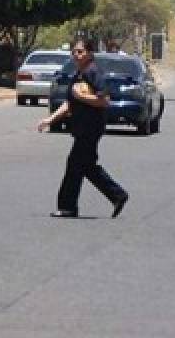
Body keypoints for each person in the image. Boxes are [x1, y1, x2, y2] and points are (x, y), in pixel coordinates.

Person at [40, 39, 129, 219]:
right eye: (74, 52)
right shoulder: (78, 75)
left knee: (74, 165)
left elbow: (104, 100)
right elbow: (69, 104)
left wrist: (82, 97)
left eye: (80, 52)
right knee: (87, 166)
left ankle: (67, 207)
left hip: (91, 128)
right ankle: (118, 195)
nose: (76, 55)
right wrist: (50, 119)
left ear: (89, 53)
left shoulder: (93, 73)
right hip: (81, 128)